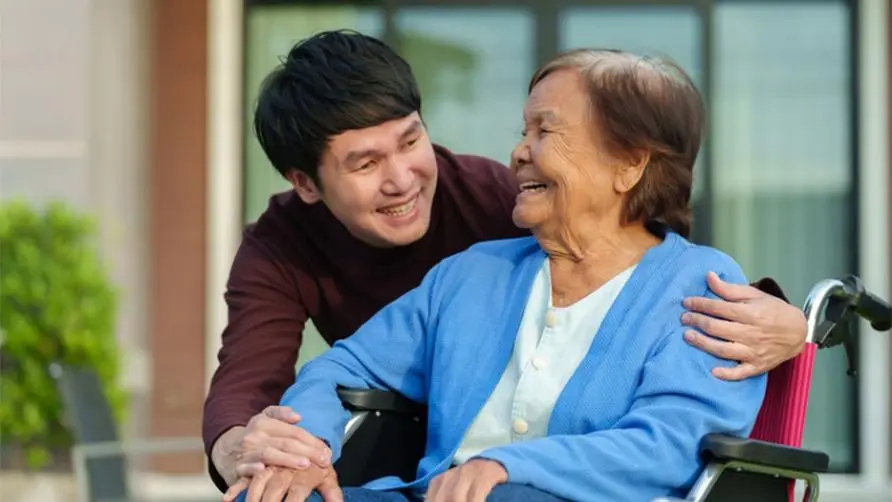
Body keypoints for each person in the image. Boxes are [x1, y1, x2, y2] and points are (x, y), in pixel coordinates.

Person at [203, 30, 806, 494]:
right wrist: (293, 452)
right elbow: (329, 371)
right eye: (365, 165)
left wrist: (793, 324)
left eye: (544, 131)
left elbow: (671, 437)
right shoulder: (472, 270)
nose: (518, 153)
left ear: (628, 164)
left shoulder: (691, 285)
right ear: (307, 183)